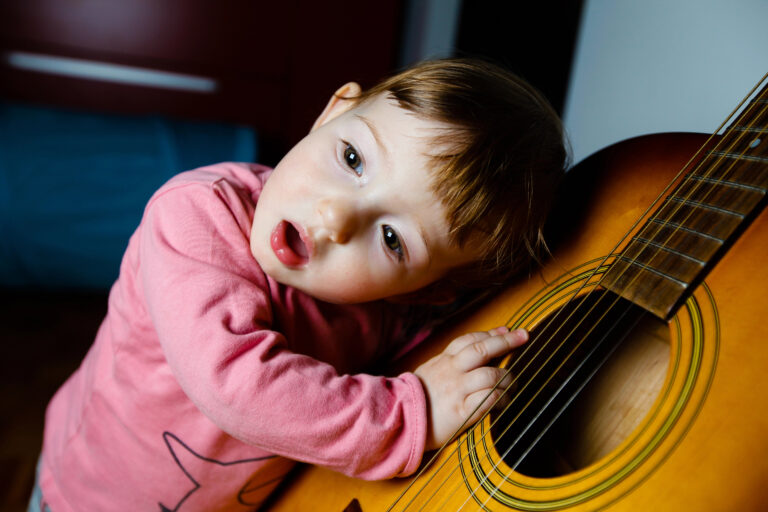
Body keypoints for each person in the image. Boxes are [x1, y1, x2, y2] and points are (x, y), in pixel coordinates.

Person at [29, 58, 568, 511]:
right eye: (353, 159)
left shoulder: (388, 307)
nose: (335, 217)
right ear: (335, 110)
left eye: (392, 239)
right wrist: (412, 412)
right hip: (90, 493)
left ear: (422, 291)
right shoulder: (195, 216)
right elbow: (236, 385)